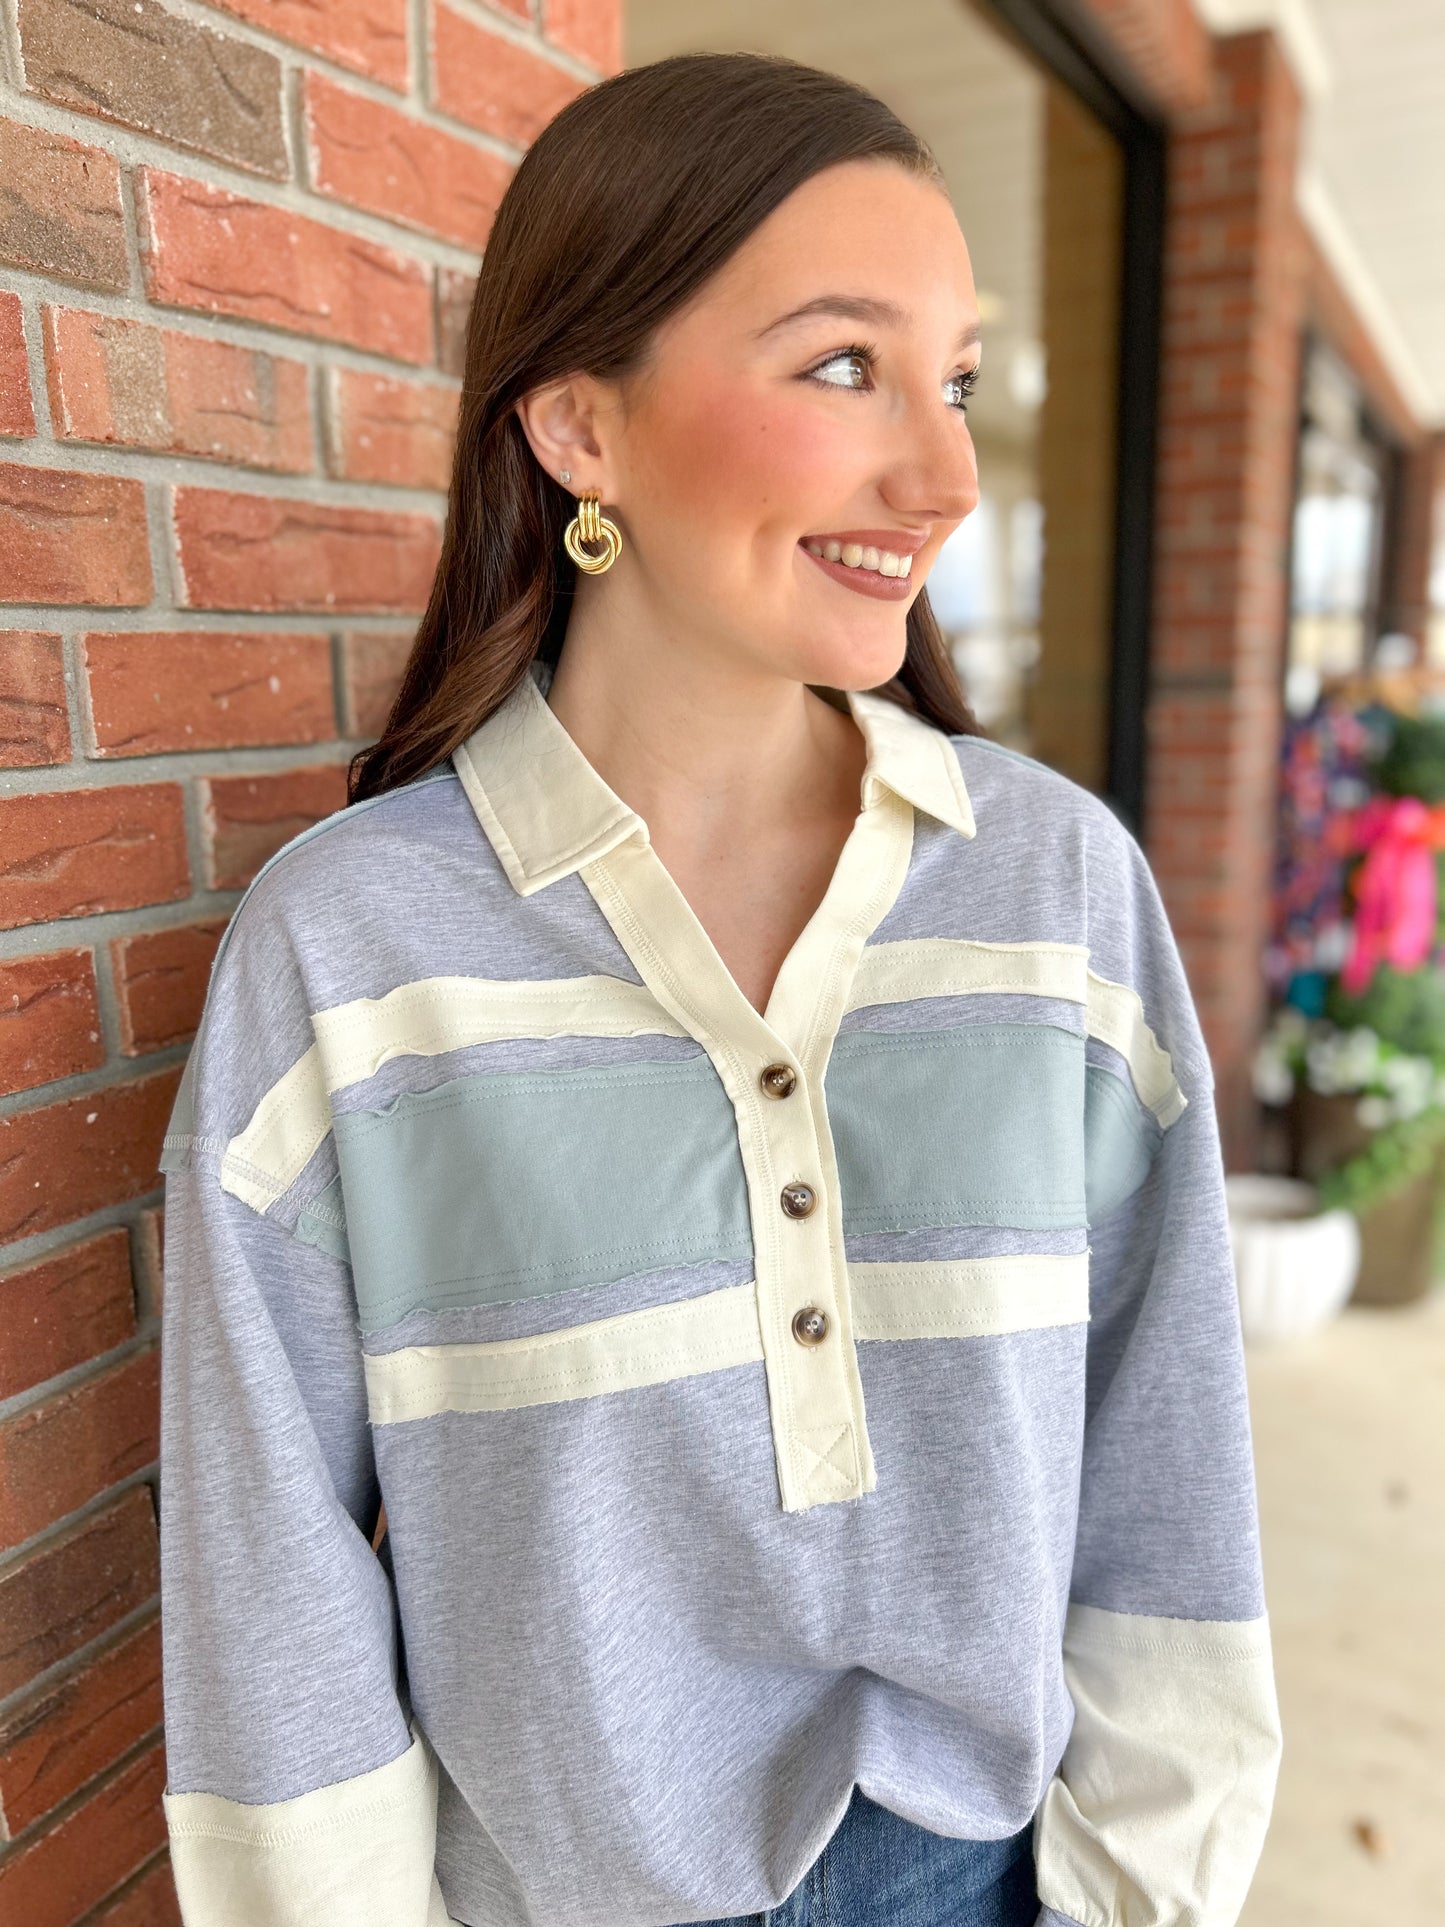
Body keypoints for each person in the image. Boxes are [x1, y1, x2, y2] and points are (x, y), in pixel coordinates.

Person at [156, 49, 1282, 1927]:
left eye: (955, 380)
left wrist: (1138, 1895)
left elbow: (1165, 1448)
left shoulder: (1057, 889)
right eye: (841, 365)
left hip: (989, 1881)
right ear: (576, 430)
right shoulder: (347, 950)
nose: (942, 477)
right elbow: (266, 1566)